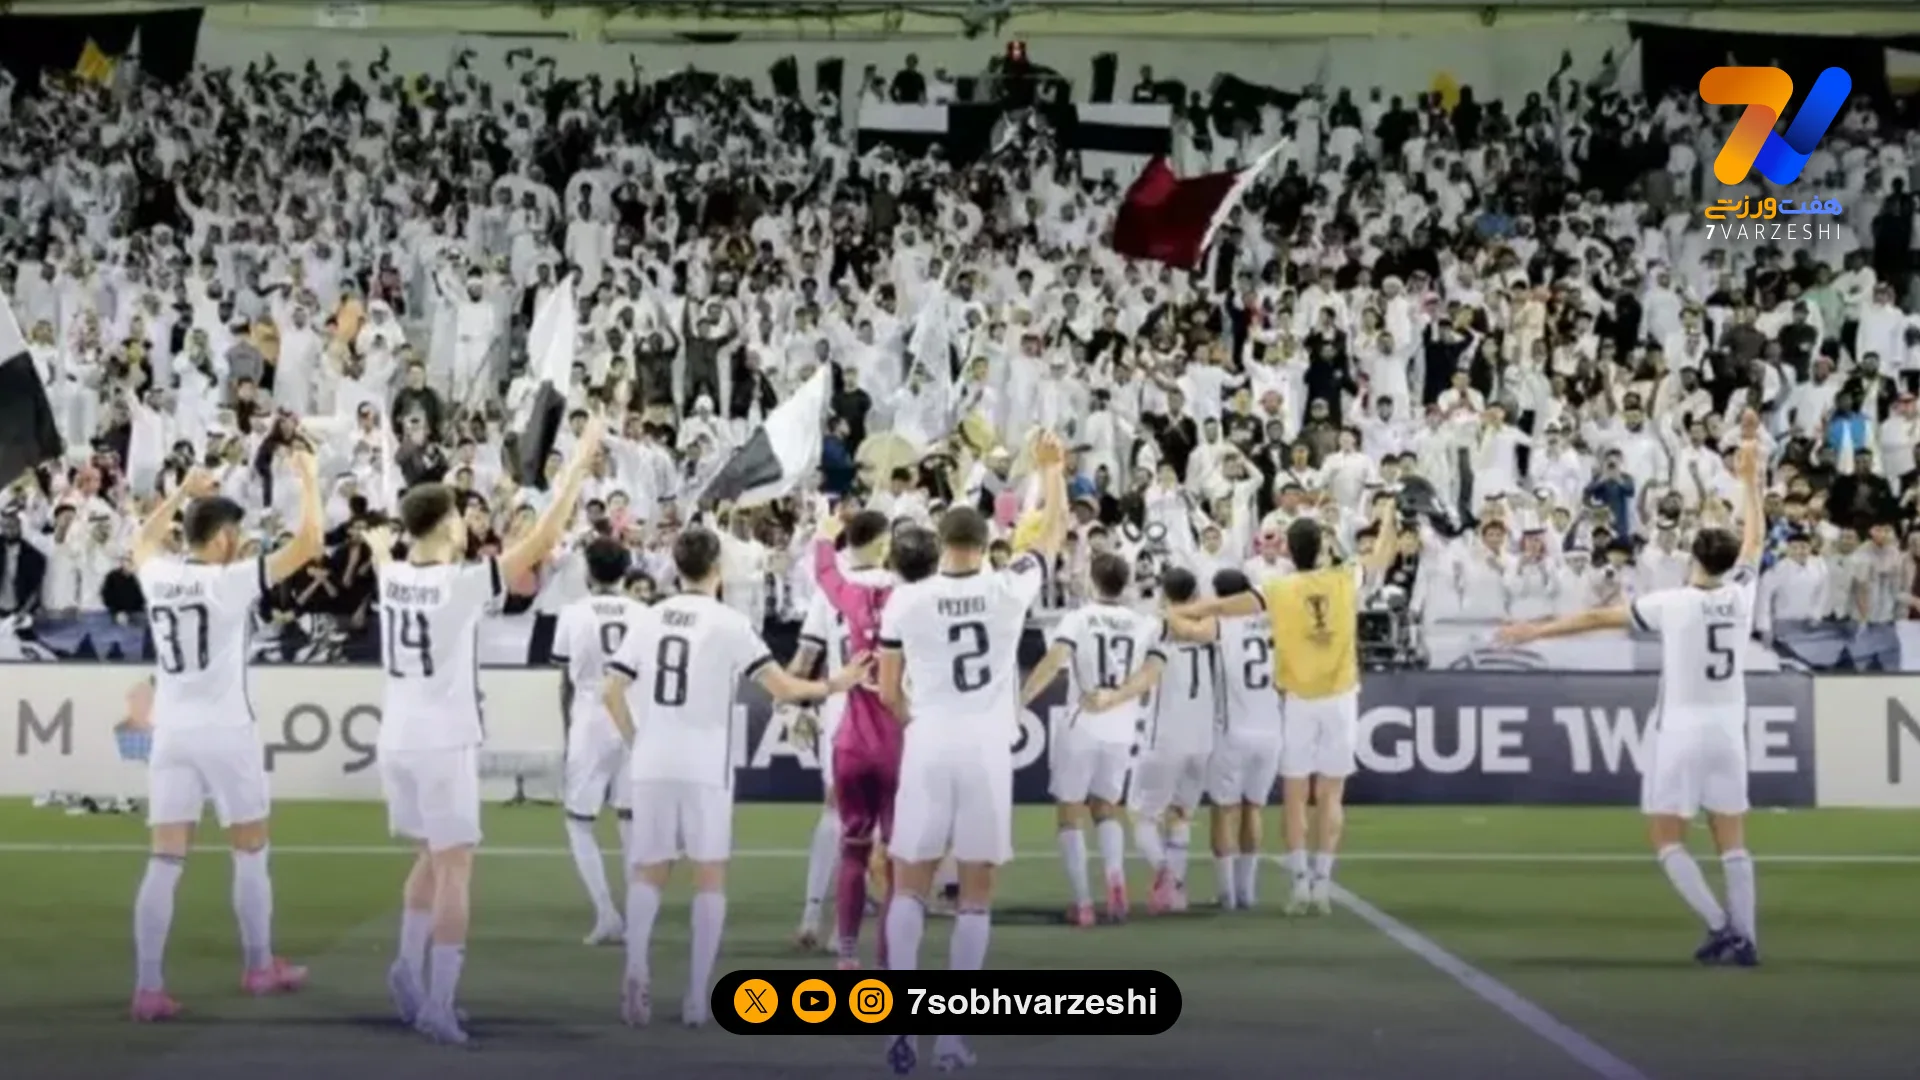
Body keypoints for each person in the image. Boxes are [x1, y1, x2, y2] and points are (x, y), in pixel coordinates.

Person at [363, 413, 606, 1046]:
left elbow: (384, 552)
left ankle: (406, 969)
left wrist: (382, 540)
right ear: (448, 525)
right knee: (456, 867)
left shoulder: (393, 576)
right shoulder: (461, 584)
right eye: (458, 516)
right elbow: (544, 537)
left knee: (430, 856)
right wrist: (577, 468)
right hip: (442, 739)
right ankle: (439, 1002)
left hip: (397, 737)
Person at [1497, 418, 1767, 966]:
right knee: (1732, 837)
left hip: (1681, 731)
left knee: (1666, 837)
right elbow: (1756, 540)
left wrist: (1535, 631)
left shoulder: (1673, 603)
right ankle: (1748, 937)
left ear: (1693, 558)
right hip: (1728, 731)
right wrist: (1749, 480)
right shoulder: (1740, 594)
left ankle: (1722, 927)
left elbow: (1598, 617)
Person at [601, 526, 870, 1028]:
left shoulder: (648, 617)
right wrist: (836, 683)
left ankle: (636, 966)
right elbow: (783, 687)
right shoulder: (728, 622)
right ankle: (695, 995)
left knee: (649, 869)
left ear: (676, 567)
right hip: (705, 763)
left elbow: (610, 692)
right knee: (709, 874)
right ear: (717, 569)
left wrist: (637, 742)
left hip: (652, 760)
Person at [875, 430, 1069, 1075]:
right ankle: (953, 1038)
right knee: (976, 892)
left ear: (940, 545)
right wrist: (1051, 470)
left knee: (910, 883)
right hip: (986, 748)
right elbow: (1051, 537)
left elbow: (887, 691)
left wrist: (918, 720)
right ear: (985, 546)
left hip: (930, 740)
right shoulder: (1008, 589)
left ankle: (900, 1025)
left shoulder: (906, 599)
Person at [126, 450, 323, 1022]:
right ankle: (259, 966)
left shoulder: (161, 575)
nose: (238, 543)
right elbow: (309, 544)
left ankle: (147, 987)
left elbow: (141, 541)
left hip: (171, 731)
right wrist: (310, 481)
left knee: (165, 859)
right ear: (221, 538)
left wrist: (180, 493)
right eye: (234, 534)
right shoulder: (227, 581)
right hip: (225, 731)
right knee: (251, 847)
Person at [1168, 498, 1400, 914]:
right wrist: (1390, 516)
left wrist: (1183, 608)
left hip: (1298, 702)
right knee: (1331, 796)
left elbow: (1222, 606)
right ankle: (1321, 884)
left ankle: (1298, 885)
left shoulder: (1277, 589)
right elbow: (1383, 555)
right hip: (1340, 697)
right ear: (1323, 548)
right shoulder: (1346, 577)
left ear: (1290, 552)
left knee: (1295, 796)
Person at [805, 509, 942, 969]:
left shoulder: (857, 597)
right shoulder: (925, 605)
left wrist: (825, 536)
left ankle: (846, 955)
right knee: (897, 861)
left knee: (853, 849)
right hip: (900, 747)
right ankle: (889, 960)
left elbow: (826, 573)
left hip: (852, 742)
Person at [1021, 550, 1162, 925]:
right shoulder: (1144, 623)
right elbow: (1151, 674)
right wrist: (1118, 696)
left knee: (1070, 812)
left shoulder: (1078, 618)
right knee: (1106, 807)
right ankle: (1115, 879)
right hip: (1121, 723)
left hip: (1082, 720)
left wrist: (1021, 700)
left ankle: (1083, 902)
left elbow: (1054, 660)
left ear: (1092, 581)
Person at [785, 508, 893, 954]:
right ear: (882, 540)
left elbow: (804, 659)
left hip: (840, 706)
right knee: (884, 823)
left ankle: (814, 915)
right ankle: (849, 929)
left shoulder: (830, 590)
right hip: (886, 708)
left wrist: (790, 707)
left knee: (837, 813)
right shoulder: (899, 587)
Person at [1082, 565, 1219, 914]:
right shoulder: (1211, 628)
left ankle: (1168, 877)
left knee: (1141, 816)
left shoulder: (1155, 626)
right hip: (1202, 739)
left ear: (1163, 594)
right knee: (1181, 813)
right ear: (1194, 594)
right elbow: (1203, 630)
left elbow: (1132, 666)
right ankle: (1175, 895)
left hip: (1164, 737)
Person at [549, 536, 651, 945]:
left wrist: (567, 732)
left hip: (590, 716)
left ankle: (607, 912)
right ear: (625, 572)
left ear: (588, 573)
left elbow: (564, 681)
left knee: (579, 821)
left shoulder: (573, 613)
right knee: (630, 819)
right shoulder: (644, 613)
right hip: (632, 715)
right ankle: (636, 917)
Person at [1160, 567, 1280, 909]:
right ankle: (1248, 892)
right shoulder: (1274, 623)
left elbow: (1183, 630)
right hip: (1272, 730)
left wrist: (1169, 609)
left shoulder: (1222, 623)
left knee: (1224, 811)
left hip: (1232, 730)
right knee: (1253, 809)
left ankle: (1227, 894)